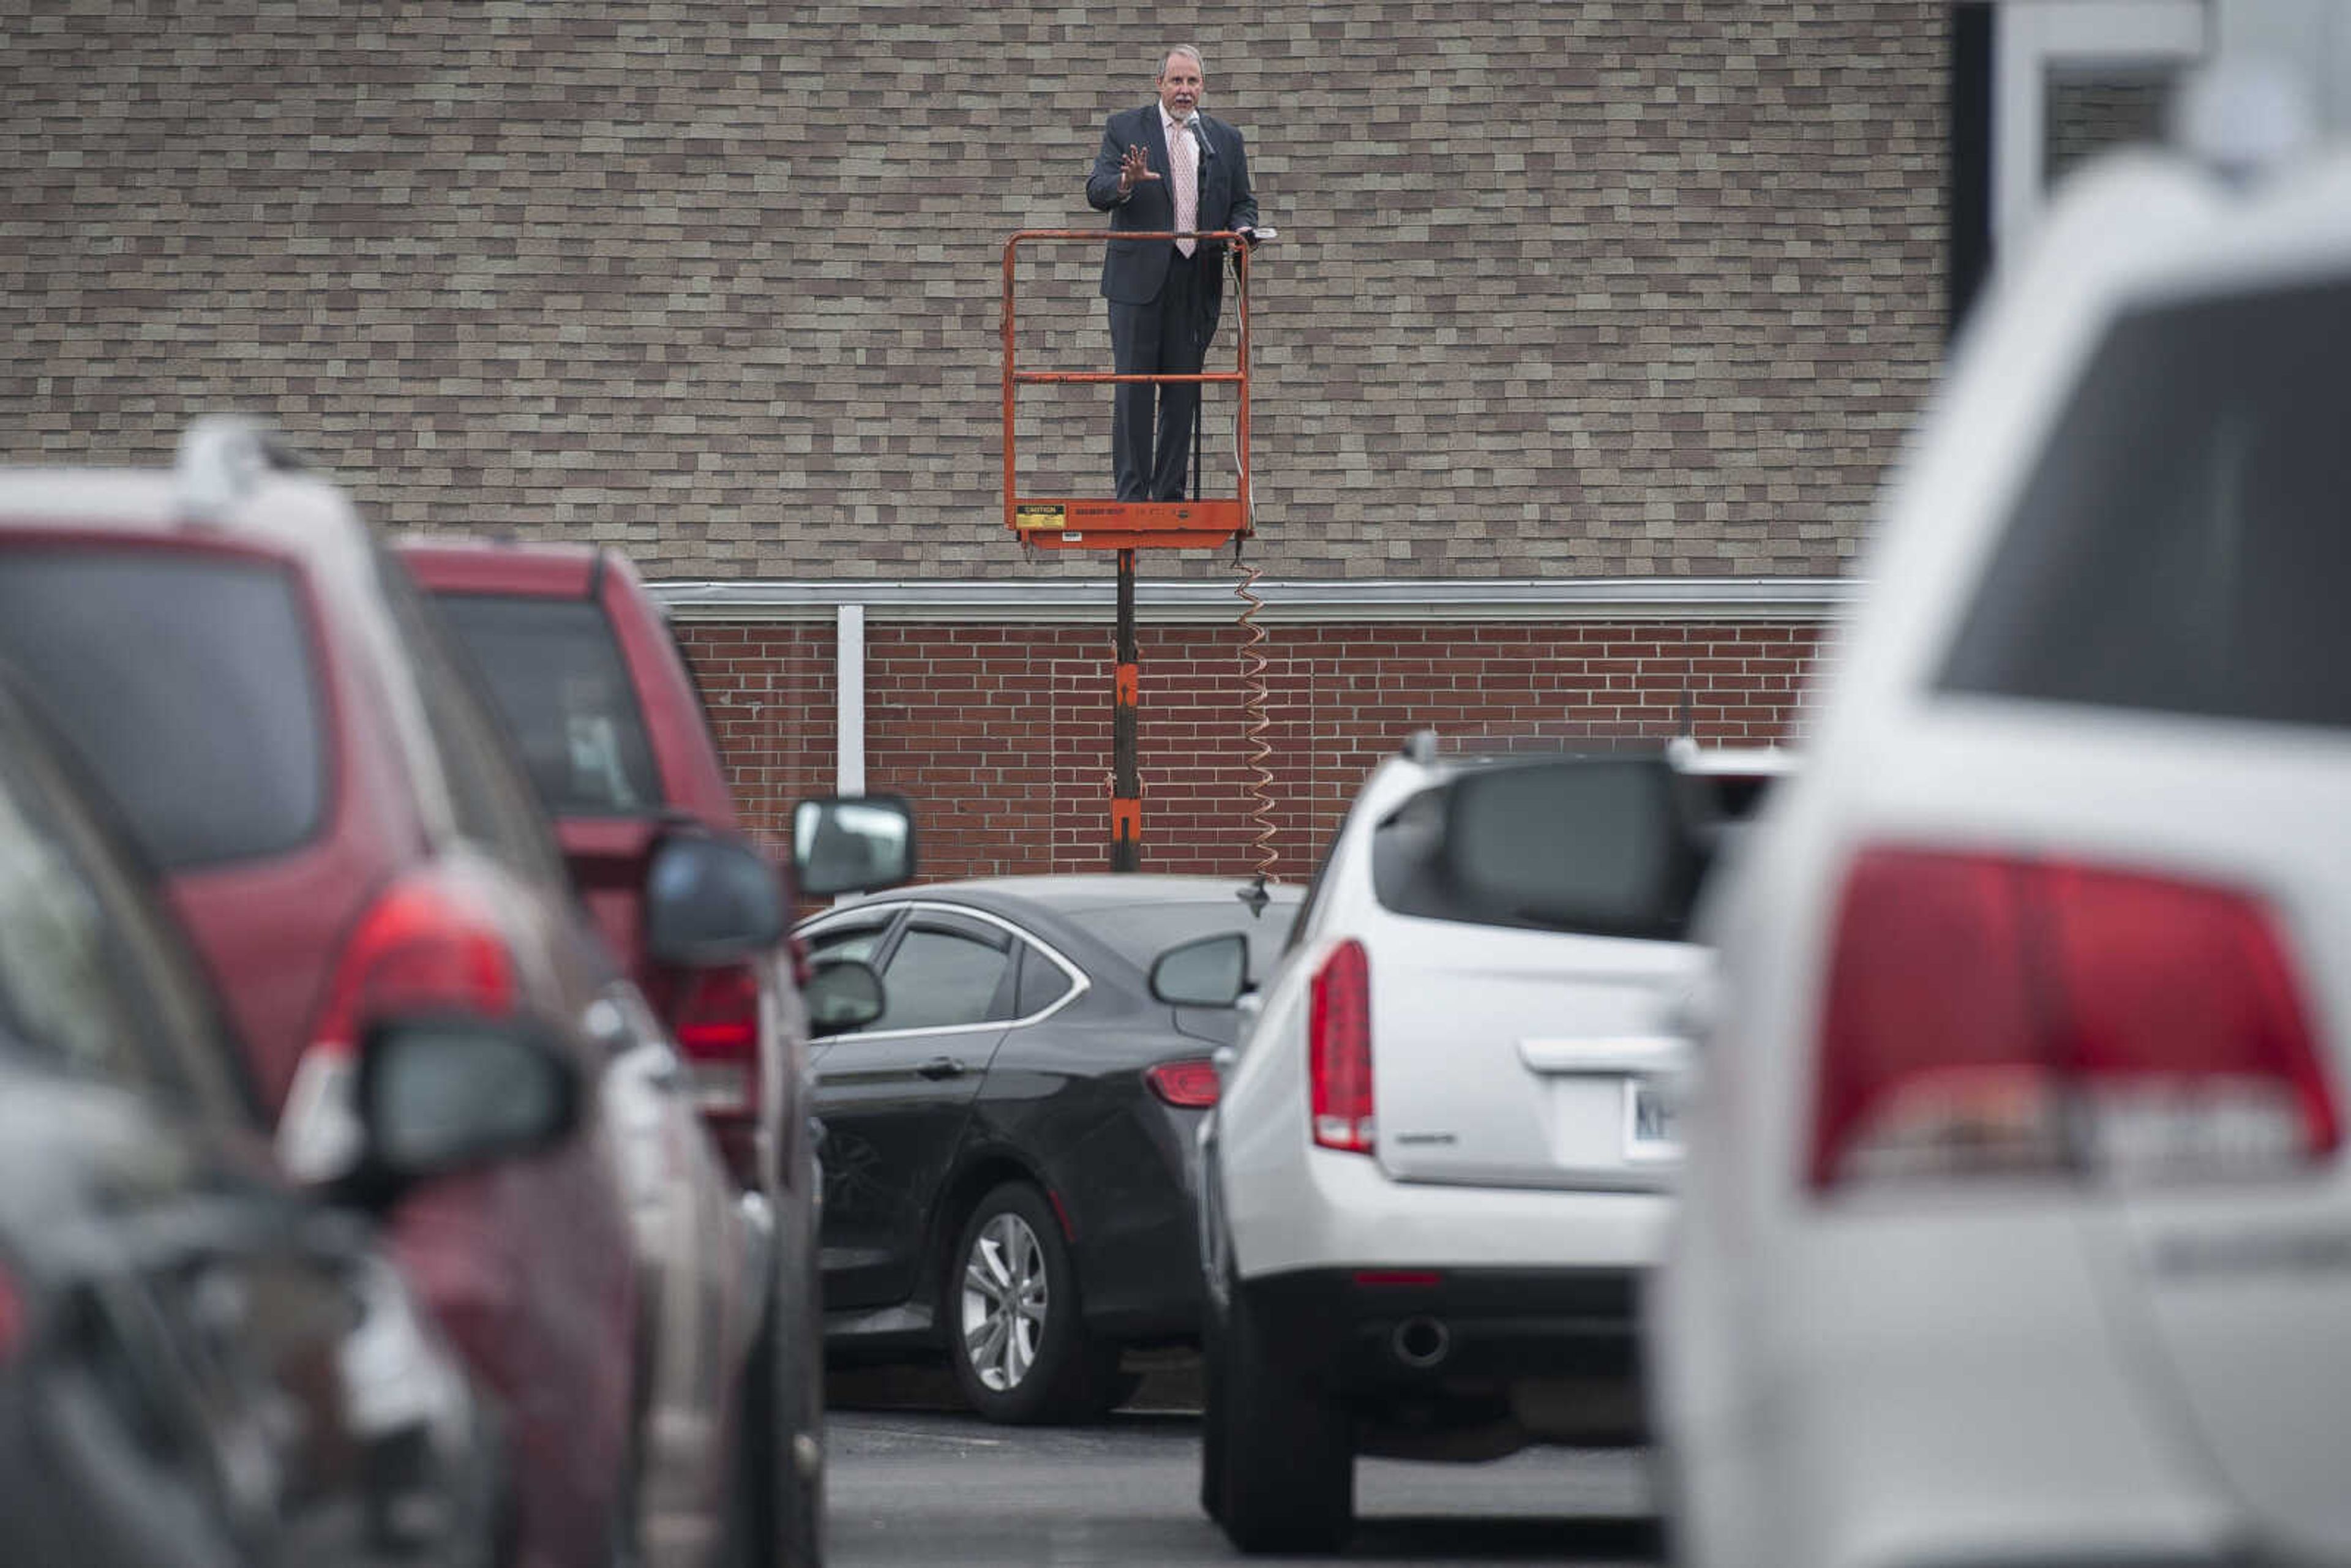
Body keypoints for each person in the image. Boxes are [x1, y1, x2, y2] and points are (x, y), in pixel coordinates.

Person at [1085, 45, 1261, 503]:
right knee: (1135, 389)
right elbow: (1097, 190)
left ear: (1203, 87)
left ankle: (1168, 494)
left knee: (1183, 391)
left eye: (1193, 82)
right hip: (1137, 283)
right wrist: (1126, 182)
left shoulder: (1223, 139)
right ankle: (1132, 493)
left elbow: (1243, 200)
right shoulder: (1126, 129)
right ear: (1159, 83)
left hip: (1195, 278)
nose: (1185, 91)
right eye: (1177, 81)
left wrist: (1243, 228)